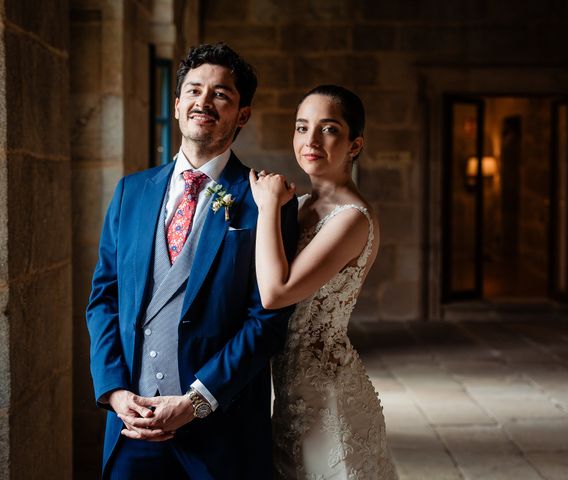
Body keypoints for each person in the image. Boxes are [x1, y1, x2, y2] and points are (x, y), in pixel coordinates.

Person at [86, 42, 298, 479]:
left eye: (221, 94)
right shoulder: (131, 191)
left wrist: (195, 402)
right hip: (132, 426)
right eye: (195, 90)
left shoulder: (267, 201)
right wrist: (114, 391)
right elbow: (104, 298)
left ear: (242, 115)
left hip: (222, 433)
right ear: (178, 103)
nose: (205, 101)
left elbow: (266, 321)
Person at [249, 85, 398, 479]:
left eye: (328, 129)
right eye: (301, 127)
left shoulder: (352, 218)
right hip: (287, 388)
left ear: (354, 144)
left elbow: (275, 292)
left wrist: (266, 207)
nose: (310, 140)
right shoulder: (298, 206)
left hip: (327, 395)